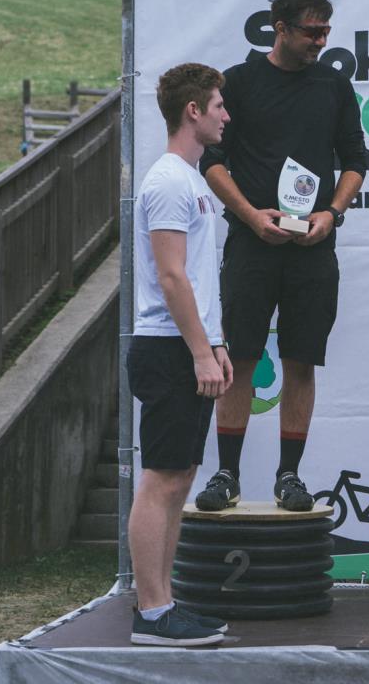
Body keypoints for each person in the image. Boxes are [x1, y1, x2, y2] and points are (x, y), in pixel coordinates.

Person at [196, 0, 367, 512]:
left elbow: (356, 160)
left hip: (313, 247)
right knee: (240, 357)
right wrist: (251, 215)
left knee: (301, 360)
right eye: (312, 31)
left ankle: (289, 476)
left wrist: (331, 213)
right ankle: (227, 474)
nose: (321, 41)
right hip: (252, 243)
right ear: (281, 28)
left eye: (326, 31)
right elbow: (212, 161)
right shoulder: (239, 83)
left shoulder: (334, 85)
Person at [127, 63, 234, 646]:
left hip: (187, 346)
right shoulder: (169, 180)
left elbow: (195, 277)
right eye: (218, 105)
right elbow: (171, 278)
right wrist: (199, 352)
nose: (225, 116)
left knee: (180, 477)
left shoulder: (191, 180)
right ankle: (150, 612)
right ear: (193, 111)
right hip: (167, 349)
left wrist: (215, 344)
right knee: (161, 479)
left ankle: (163, 603)